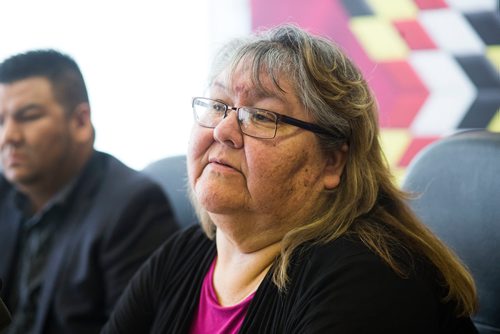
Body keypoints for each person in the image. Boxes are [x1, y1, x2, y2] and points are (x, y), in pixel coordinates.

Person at [102, 24, 478, 333]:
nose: (223, 131)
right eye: (218, 106)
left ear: (332, 162)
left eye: (262, 116)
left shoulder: (369, 279)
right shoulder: (185, 254)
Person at [0, 49, 179, 334]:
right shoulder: (5, 193)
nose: (8, 136)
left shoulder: (134, 206)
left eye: (28, 117)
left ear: (81, 122)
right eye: (0, 122)